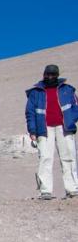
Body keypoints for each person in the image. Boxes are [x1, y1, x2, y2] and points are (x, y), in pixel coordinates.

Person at [25, 64, 78, 199]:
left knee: (69, 158)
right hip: (44, 129)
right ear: (44, 74)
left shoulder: (67, 90)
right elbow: (30, 113)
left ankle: (72, 189)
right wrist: (32, 130)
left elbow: (75, 107)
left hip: (64, 128)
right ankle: (45, 191)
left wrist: (71, 120)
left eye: (53, 75)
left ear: (57, 75)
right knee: (45, 158)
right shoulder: (35, 92)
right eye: (48, 74)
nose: (50, 77)